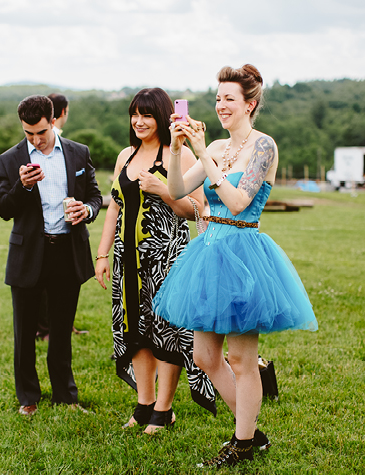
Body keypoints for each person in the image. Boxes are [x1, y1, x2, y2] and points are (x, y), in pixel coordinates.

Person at [153, 64, 318, 467]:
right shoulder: (213, 148)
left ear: (250, 103)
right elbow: (176, 190)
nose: (220, 106)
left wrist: (203, 154)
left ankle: (242, 442)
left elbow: (240, 200)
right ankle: (252, 431)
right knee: (206, 356)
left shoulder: (263, 146)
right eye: (217, 99)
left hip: (244, 252)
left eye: (229, 99)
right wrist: (177, 149)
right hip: (210, 251)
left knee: (242, 359)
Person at [94, 88, 215, 434]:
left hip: (167, 260)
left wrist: (162, 188)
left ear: (161, 117)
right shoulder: (126, 156)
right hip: (126, 260)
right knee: (135, 332)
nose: (139, 121)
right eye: (134, 114)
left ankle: (164, 410)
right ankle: (144, 404)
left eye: (146, 114)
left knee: (166, 334)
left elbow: (197, 209)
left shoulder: (178, 156)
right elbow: (114, 208)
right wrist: (103, 254)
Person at [0, 95, 102, 416]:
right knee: (25, 333)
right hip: (29, 254)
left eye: (40, 132)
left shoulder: (77, 152)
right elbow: (4, 209)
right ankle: (28, 397)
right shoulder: (9, 159)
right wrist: (22, 186)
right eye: (28, 133)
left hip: (67, 252)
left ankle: (65, 397)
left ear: (53, 120)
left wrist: (85, 209)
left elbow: (95, 196)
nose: (35, 140)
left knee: (60, 332)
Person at [46, 92, 88, 337]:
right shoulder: (56, 140)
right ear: (62, 113)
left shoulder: (77, 150)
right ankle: (47, 327)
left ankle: (61, 326)